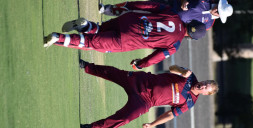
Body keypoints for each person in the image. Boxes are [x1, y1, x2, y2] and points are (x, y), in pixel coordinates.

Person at [43, 1, 206, 70]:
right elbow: (155, 58)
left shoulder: (172, 13)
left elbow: (148, 5)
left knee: (99, 30)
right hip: (128, 40)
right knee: (91, 44)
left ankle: (86, 25)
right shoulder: (175, 45)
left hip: (128, 20)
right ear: (191, 37)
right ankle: (58, 38)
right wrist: (140, 64)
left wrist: (129, 6)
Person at [78, 59, 219, 128]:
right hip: (142, 81)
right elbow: (171, 67)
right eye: (206, 83)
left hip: (145, 102)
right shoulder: (190, 76)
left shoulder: (189, 103)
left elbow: (170, 114)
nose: (204, 85)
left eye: (207, 88)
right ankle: (87, 67)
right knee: (114, 73)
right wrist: (182, 72)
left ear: (206, 94)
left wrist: (152, 124)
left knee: (125, 118)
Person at [99, 0, 233, 30]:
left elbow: (190, 32)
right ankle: (108, 9)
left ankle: (106, 27)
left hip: (167, 22)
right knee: (138, 6)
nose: (216, 10)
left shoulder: (208, 24)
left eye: (219, 12)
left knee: (136, 20)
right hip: (167, 5)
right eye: (218, 8)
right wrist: (183, 1)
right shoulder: (205, 0)